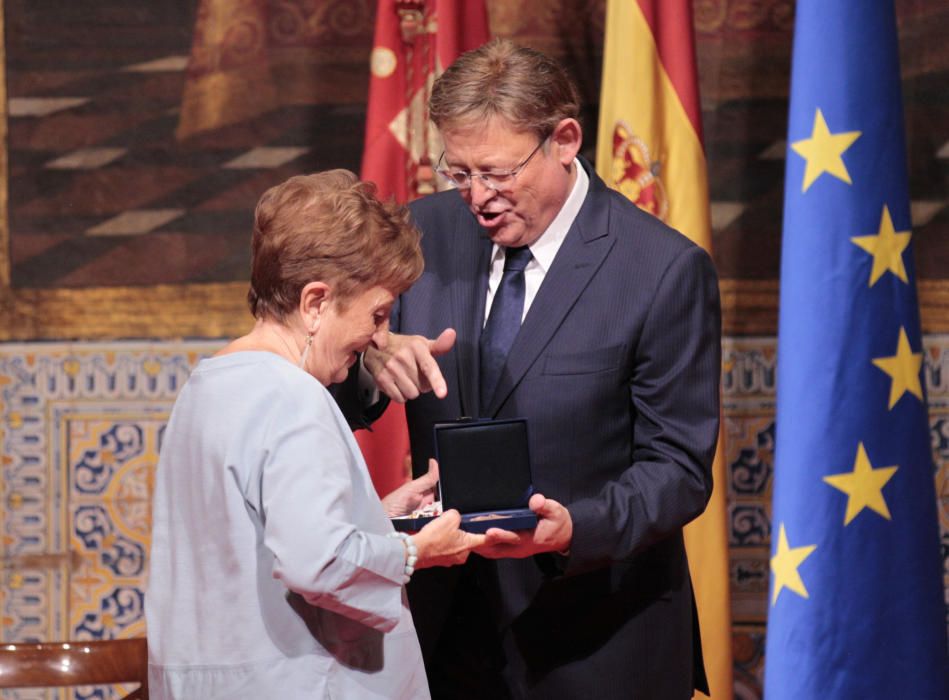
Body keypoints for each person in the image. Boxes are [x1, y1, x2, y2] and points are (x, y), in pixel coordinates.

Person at [359, 39, 722, 699]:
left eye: (497, 172)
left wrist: (574, 527)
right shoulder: (421, 234)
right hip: (451, 637)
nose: (477, 196)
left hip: (599, 633)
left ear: (563, 139)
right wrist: (371, 359)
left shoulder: (660, 269)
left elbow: (677, 469)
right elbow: (343, 374)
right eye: (459, 172)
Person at [144, 170, 485, 699]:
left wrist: (379, 516)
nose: (379, 339)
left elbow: (253, 540)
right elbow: (317, 563)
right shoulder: (293, 397)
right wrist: (416, 550)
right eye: (376, 314)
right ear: (316, 303)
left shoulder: (206, 385)